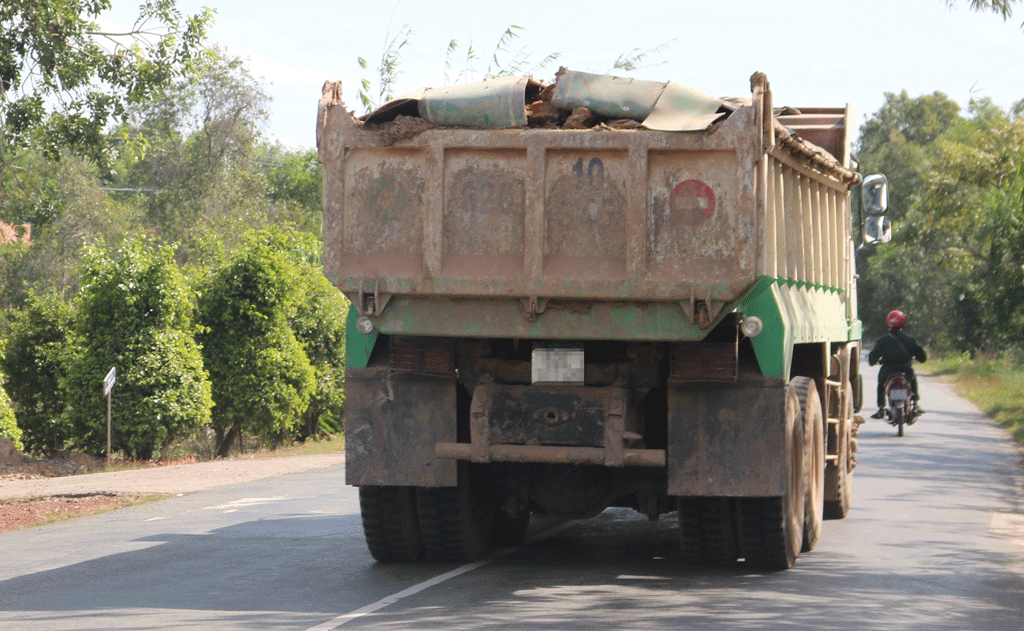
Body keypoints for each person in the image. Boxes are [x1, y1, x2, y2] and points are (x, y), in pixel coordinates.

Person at [868, 310, 927, 419]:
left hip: (887, 371)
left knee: (881, 386)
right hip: (905, 370)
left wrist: (874, 361)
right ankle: (915, 404)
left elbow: (872, 359)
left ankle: (881, 409)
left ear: (888, 322)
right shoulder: (910, 340)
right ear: (903, 323)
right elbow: (922, 357)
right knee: (913, 379)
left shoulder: (882, 341)